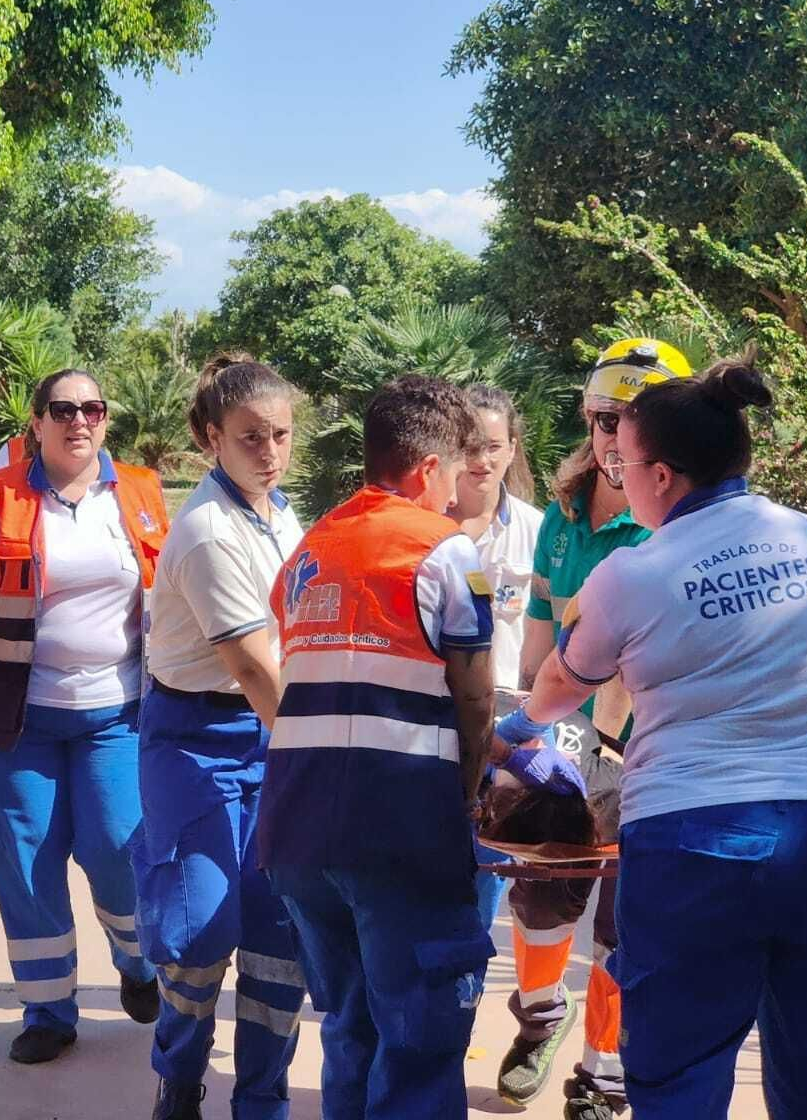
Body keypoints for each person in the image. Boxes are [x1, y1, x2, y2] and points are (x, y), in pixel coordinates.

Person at [499, 355, 807, 1118]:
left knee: (677, 1076)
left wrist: (510, 733)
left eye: (623, 458)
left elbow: (559, 686)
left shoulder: (633, 573)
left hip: (704, 838)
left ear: (661, 474)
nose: (614, 469)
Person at [257, 376, 529, 1118]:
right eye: (451, 475)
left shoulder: (308, 548)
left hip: (299, 832)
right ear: (427, 470)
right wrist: (476, 791)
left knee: (351, 1029)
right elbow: (474, 699)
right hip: (401, 835)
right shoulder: (450, 553)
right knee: (419, 1040)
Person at [0, 368, 166, 1066]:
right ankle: (49, 1012)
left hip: (116, 716)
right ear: (36, 422)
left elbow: (177, 590)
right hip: (15, 719)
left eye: (92, 408)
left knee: (121, 848)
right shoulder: (0, 497)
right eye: (63, 409)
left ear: (106, 420)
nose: (78, 420)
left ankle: (137, 958)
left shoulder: (140, 493)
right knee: (26, 865)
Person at [494, 337, 693, 1119]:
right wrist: (526, 738)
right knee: (542, 904)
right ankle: (541, 1020)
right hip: (564, 737)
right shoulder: (563, 517)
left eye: (635, 416)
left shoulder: (682, 522)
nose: (616, 434)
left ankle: (603, 1072)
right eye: (604, 415)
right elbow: (541, 640)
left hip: (654, 751)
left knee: (623, 922)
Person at [134, 355, 306, 1120]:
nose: (268, 451)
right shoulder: (207, 532)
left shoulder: (281, 514)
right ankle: (180, 1074)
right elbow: (251, 664)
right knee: (199, 928)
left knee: (279, 930)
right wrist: (320, 761)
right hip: (194, 738)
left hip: (269, 736)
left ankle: (262, 1098)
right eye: (249, 437)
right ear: (212, 439)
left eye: (279, 435)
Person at [449, 385, 546, 933]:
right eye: (467, 446)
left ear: (512, 448)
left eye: (492, 445)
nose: (480, 460)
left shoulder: (539, 532)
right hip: (440, 725)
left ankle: (474, 993)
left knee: (495, 877)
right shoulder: (428, 529)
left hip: (517, 728)